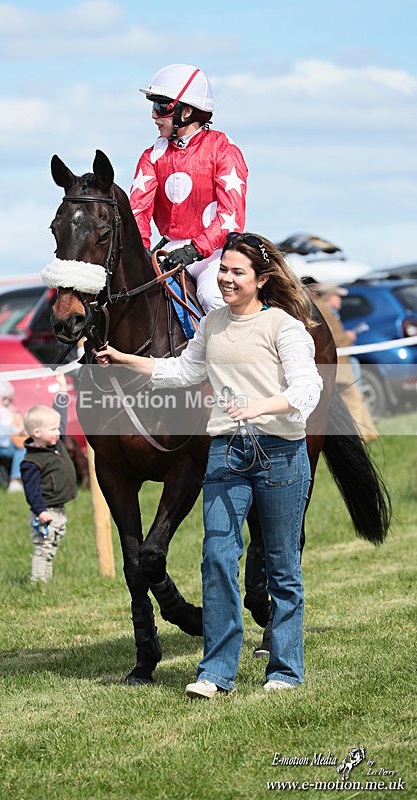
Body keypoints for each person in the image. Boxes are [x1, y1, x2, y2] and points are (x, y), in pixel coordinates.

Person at [95, 232, 323, 696]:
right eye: (223, 270)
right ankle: (216, 673)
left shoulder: (284, 326)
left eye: (238, 272)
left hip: (280, 454)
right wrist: (122, 358)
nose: (226, 279)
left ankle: (284, 670)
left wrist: (259, 407)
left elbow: (307, 389)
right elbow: (183, 370)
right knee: (217, 558)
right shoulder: (213, 324)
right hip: (226, 453)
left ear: (261, 279)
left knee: (282, 569)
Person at [130, 63, 248, 313]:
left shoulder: (223, 149)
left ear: (186, 111)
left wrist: (195, 249)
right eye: (153, 106)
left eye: (161, 106)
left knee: (212, 297)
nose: (153, 115)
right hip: (169, 250)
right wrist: (139, 252)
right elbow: (137, 213)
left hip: (215, 253)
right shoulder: (152, 155)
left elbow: (231, 218)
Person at [313, 283, 378, 441]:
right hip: (337, 365)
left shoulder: (325, 310)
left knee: (355, 397)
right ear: (330, 297)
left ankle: (368, 434)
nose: (340, 300)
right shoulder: (324, 311)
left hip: (339, 364)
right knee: (352, 399)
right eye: (338, 296)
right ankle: (358, 437)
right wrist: (348, 337)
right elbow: (332, 339)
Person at [20, 405, 77, 583]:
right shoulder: (32, 461)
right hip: (46, 512)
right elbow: (32, 491)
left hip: (59, 510)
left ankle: (46, 581)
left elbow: (62, 421)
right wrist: (40, 511)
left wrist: (61, 399)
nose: (58, 433)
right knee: (43, 548)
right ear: (37, 432)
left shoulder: (56, 445)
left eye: (57, 428)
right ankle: (38, 582)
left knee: (51, 547)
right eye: (52, 429)